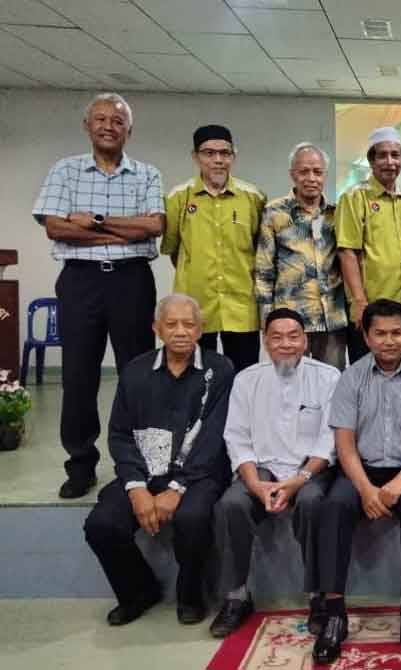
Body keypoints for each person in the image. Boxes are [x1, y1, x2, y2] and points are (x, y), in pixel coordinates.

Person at [32, 92, 164, 499]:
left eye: (118, 120)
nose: (109, 126)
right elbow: (56, 228)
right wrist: (122, 230)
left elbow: (152, 227)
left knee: (139, 375)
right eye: (101, 119)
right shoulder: (65, 171)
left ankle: (143, 465)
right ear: (87, 126)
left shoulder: (146, 173)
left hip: (132, 281)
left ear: (130, 129)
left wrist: (96, 222)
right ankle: (81, 464)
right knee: (77, 375)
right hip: (80, 282)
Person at [313, 299, 401, 664]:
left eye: (397, 333)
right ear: (366, 336)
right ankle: (335, 612)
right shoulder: (351, 377)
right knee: (335, 506)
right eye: (381, 333)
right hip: (362, 468)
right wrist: (366, 490)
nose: (389, 341)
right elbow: (344, 443)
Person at [83, 294, 234, 626]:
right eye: (172, 324)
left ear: (201, 329)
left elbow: (214, 438)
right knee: (101, 524)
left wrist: (177, 488)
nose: (181, 331)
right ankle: (139, 592)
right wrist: (137, 489)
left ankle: (191, 595)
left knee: (193, 518)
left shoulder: (219, 370)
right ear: (156, 328)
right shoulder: (135, 371)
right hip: (144, 472)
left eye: (189, 324)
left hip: (198, 474)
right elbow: (120, 435)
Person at [209, 308, 340, 638]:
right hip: (262, 470)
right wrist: (254, 484)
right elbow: (236, 436)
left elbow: (330, 439)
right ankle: (236, 596)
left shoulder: (328, 377)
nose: (286, 344)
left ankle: (318, 597)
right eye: (277, 337)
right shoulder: (246, 379)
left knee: (313, 503)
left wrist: (298, 480)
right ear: (265, 341)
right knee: (231, 505)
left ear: (306, 340)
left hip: (311, 470)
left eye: (294, 336)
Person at [162, 124, 266, 373]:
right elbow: (174, 248)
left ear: (233, 156)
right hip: (195, 305)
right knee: (196, 376)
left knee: (243, 376)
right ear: (195, 157)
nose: (218, 160)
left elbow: (261, 249)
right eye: (209, 153)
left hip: (242, 304)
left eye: (225, 153)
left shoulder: (253, 197)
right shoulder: (178, 197)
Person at [255, 143, 348, 369]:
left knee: (331, 385)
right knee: (288, 384)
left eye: (317, 172)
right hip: (289, 322)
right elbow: (263, 272)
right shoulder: (274, 212)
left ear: (324, 175)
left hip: (331, 320)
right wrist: (268, 320)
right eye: (304, 171)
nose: (311, 178)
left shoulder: (336, 214)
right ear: (292, 174)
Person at [335, 127, 401, 363]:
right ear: (371, 160)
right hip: (370, 310)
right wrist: (359, 302)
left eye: (396, 155)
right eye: (382, 155)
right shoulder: (354, 197)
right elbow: (347, 252)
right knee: (367, 377)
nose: (390, 162)